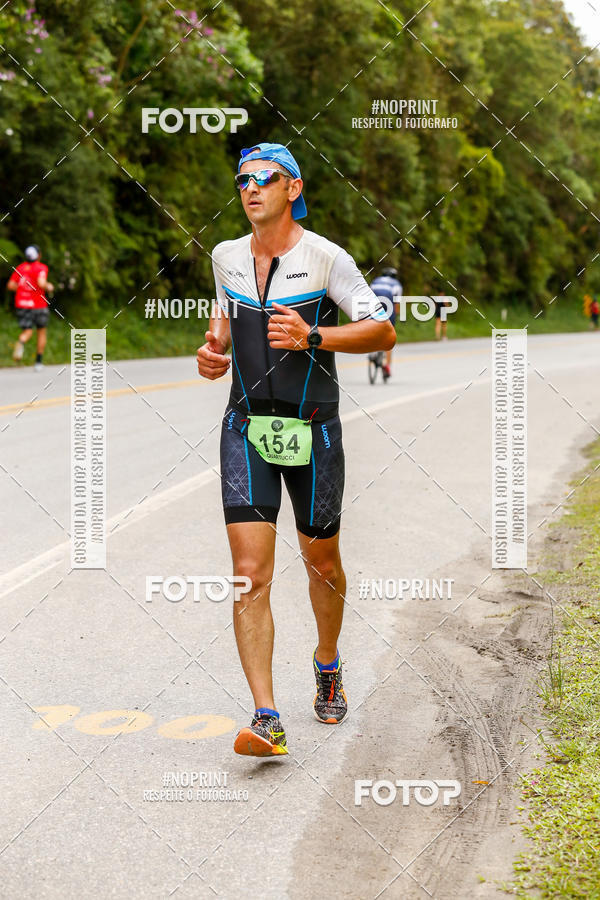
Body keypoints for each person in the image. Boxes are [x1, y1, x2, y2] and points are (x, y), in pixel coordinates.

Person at [196, 142, 395, 757]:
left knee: (322, 564)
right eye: (242, 180)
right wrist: (214, 353)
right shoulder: (225, 257)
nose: (250, 187)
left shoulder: (326, 258)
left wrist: (315, 334)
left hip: (314, 429)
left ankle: (328, 661)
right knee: (249, 574)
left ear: (293, 187)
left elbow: (383, 327)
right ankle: (265, 715)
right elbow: (222, 328)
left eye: (265, 178)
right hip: (246, 428)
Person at [8, 245, 53, 371]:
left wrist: (22, 290)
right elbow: (41, 283)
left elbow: (11, 285)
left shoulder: (20, 268)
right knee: (41, 331)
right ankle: (38, 362)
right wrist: (49, 286)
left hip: (22, 304)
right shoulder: (41, 268)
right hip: (38, 305)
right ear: (39, 255)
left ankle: (21, 341)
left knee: (27, 331)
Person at [370, 267, 402, 378]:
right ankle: (387, 366)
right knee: (389, 335)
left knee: (373, 328)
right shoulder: (396, 283)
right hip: (388, 303)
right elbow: (397, 303)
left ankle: (372, 352)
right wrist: (396, 316)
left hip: (374, 302)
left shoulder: (376, 280)